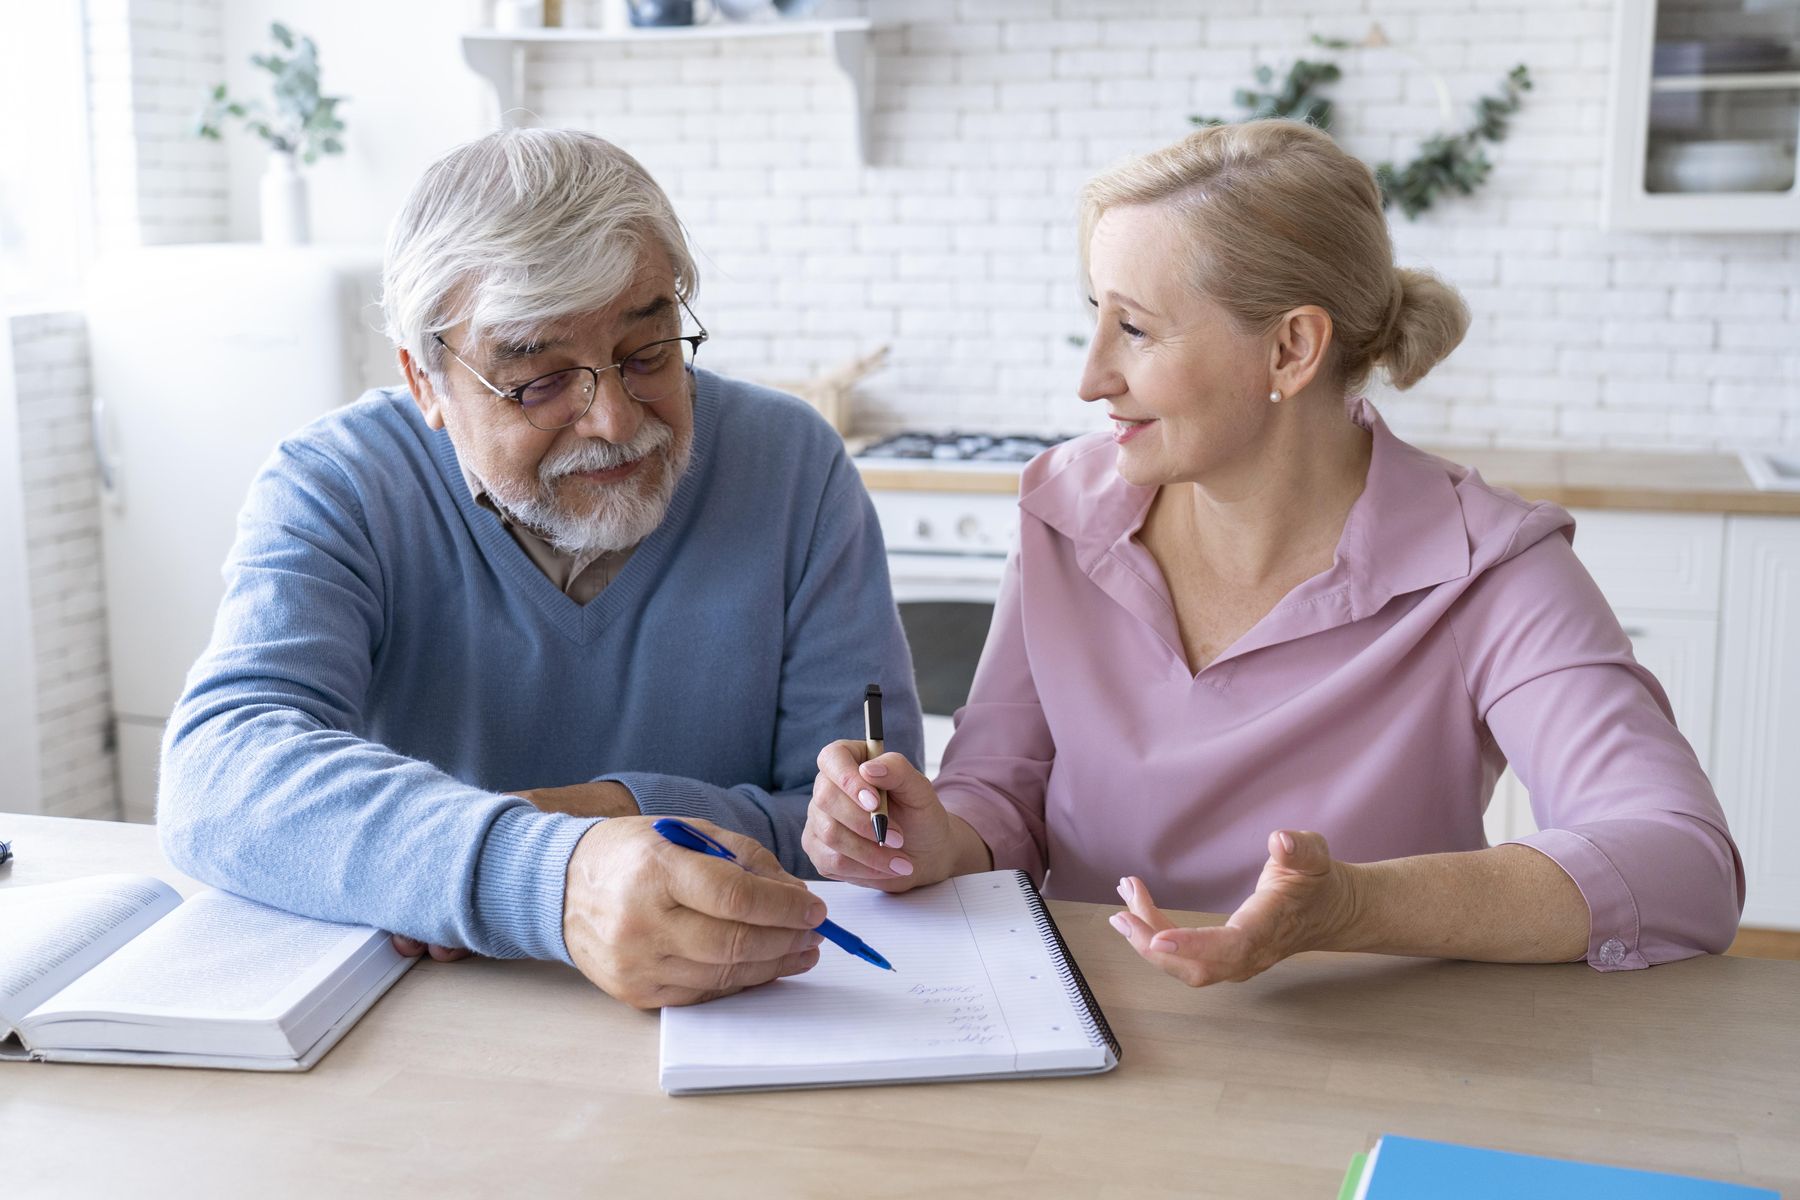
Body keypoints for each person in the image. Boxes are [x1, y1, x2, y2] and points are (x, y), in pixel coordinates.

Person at [804, 119, 1743, 986]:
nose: (1091, 377)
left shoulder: (1488, 565)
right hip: (1084, 1027)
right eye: (1095, 314)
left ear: (1291, 349)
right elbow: (1001, 796)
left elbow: (1679, 862)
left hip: (1365, 1053)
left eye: (1134, 327)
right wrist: (934, 840)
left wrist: (1349, 908)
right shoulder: (1066, 514)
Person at [158, 128, 922, 1009]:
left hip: (754, 1014)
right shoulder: (341, 481)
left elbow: (867, 827)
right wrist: (546, 873)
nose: (613, 421)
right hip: (433, 1029)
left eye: (648, 354)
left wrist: (602, 810)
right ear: (427, 384)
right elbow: (218, 773)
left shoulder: (793, 465)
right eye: (538, 380)